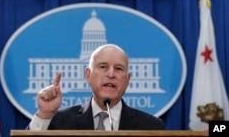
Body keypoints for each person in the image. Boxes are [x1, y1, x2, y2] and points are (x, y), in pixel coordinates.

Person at [28, 44, 165, 130]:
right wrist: (44, 115)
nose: (111, 74)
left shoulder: (151, 127)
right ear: (88, 75)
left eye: (118, 68)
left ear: (127, 79)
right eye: (103, 66)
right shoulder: (60, 121)